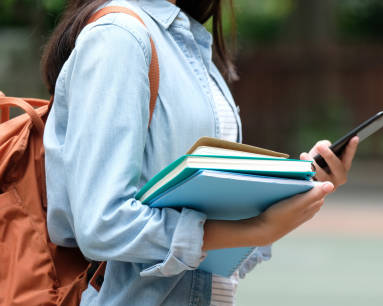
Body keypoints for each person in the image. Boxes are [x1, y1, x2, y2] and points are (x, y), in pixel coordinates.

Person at [41, 0, 359, 305]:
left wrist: (301, 186)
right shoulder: (119, 37)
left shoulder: (183, 39)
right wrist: (256, 229)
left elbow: (208, 255)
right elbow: (102, 224)